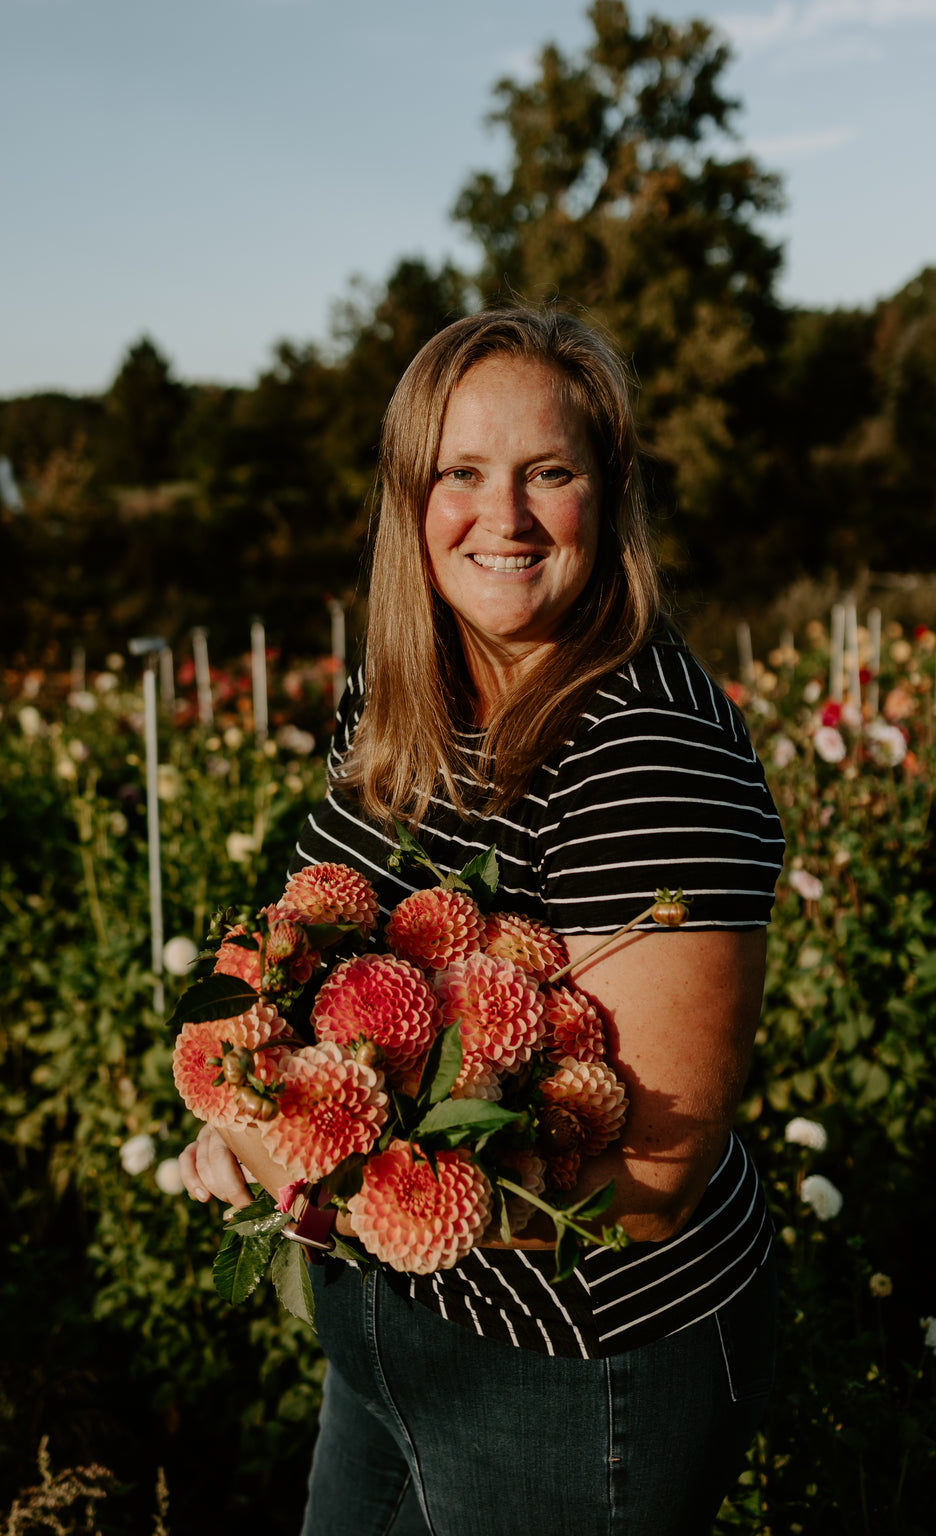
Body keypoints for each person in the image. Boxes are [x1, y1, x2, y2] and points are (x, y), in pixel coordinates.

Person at [179, 308, 785, 1536]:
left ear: (606, 497)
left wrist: (301, 1174)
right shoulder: (408, 690)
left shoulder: (645, 754)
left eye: (547, 474)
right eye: (462, 472)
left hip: (571, 1374)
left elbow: (649, 1183)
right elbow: (308, 933)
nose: (500, 518)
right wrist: (246, 1084)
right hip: (398, 1343)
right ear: (412, 498)